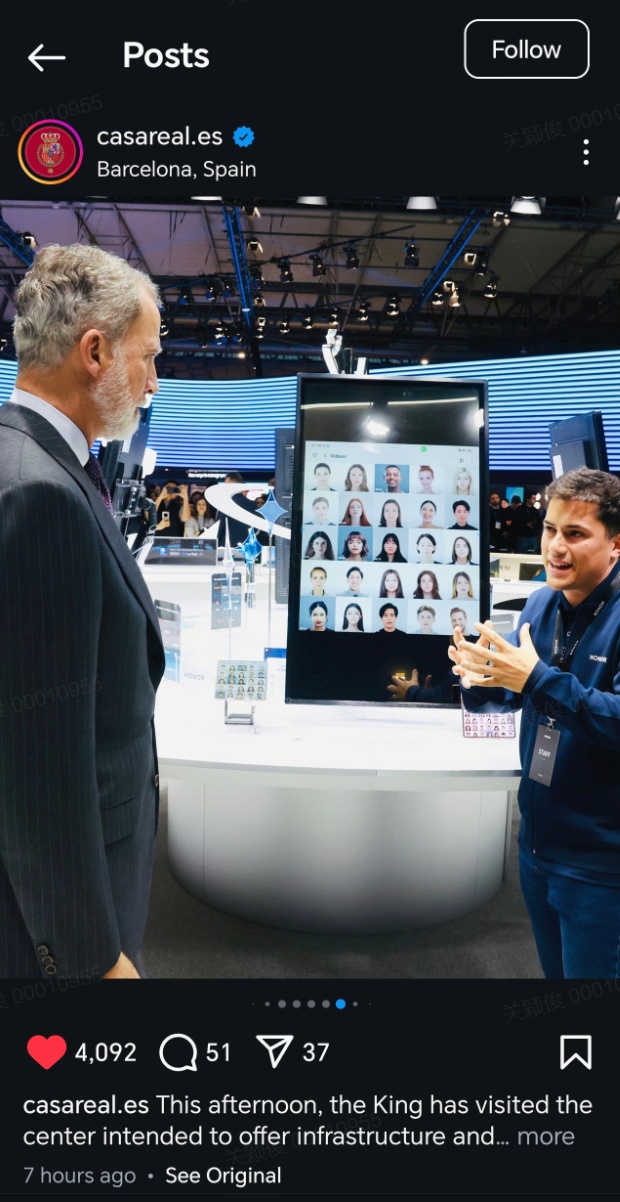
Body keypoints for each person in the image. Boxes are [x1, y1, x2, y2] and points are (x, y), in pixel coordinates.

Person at [0, 243, 165, 979]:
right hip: (61, 926)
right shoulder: (40, 493)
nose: (153, 382)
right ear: (94, 352)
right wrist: (90, 958)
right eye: (147, 358)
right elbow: (35, 764)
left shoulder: (36, 463)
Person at [449, 468, 620, 979]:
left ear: (616, 545)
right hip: (536, 845)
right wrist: (477, 680)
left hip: (600, 865)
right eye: (550, 529)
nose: (556, 547)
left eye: (575, 534)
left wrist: (537, 679)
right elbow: (508, 698)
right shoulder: (542, 601)